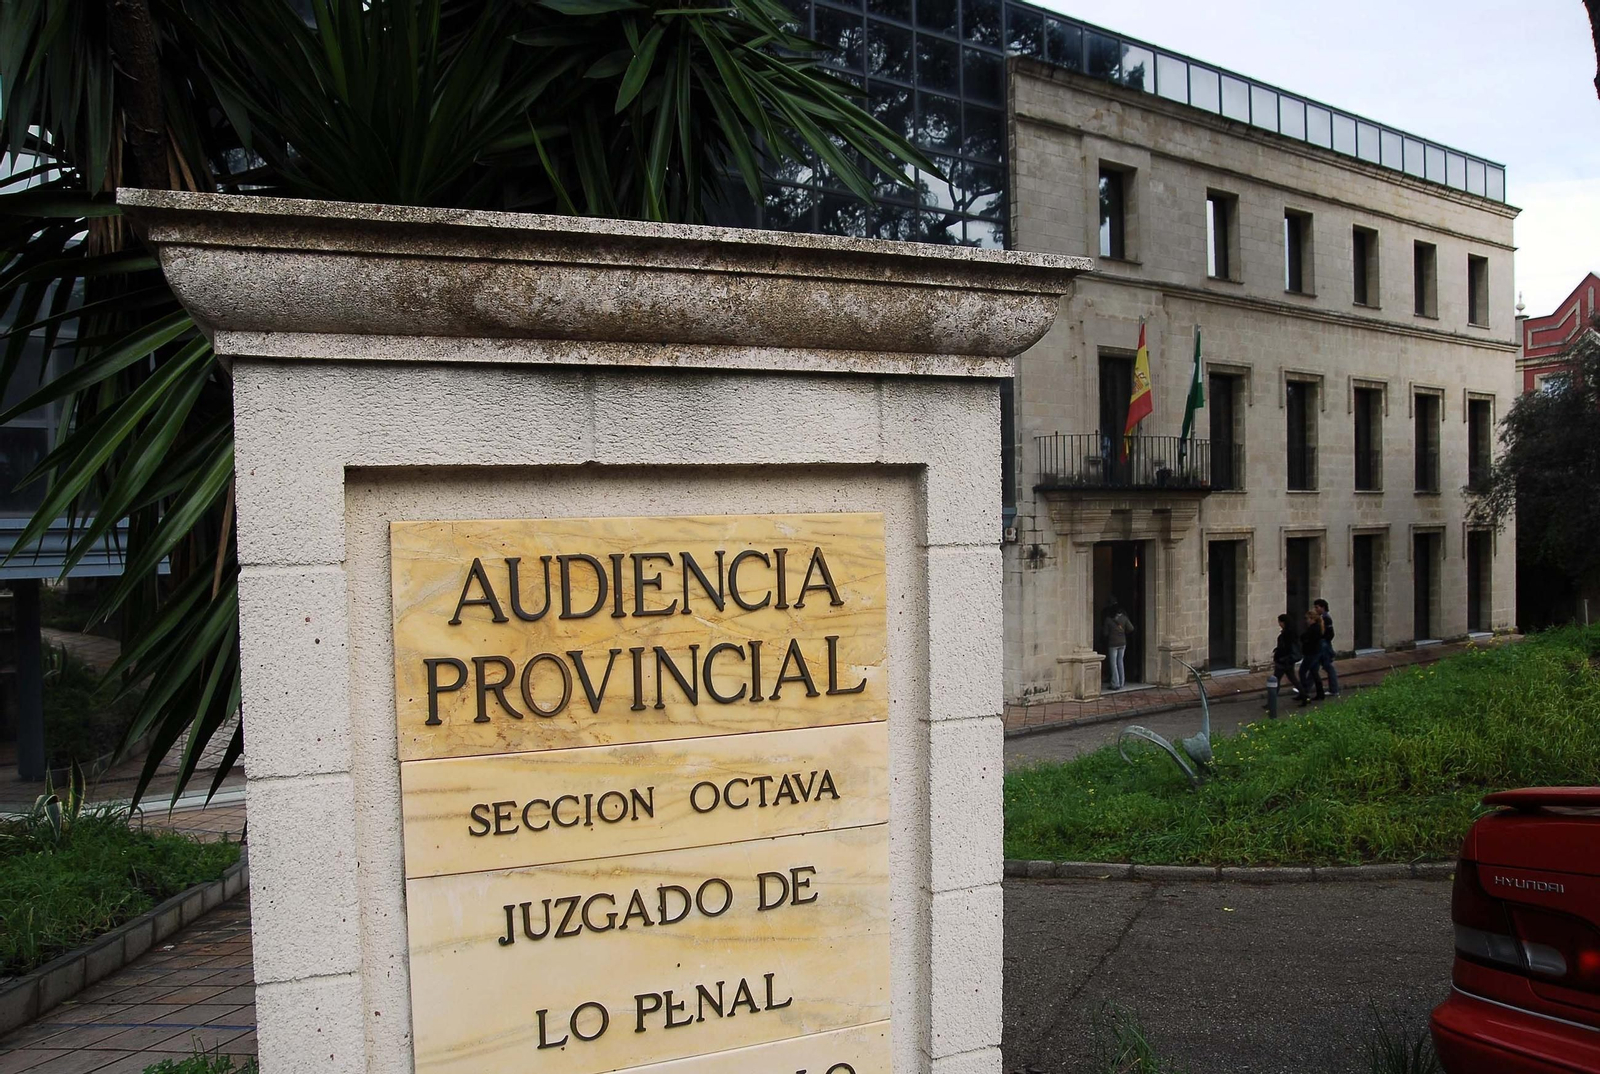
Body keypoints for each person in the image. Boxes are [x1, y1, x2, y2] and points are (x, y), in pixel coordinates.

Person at [1266, 613, 1301, 719]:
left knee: (1276, 680)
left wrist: (1279, 657)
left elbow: (1286, 648)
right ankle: (1304, 695)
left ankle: (1271, 702)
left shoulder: (1287, 634)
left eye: (1280, 622)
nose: (1279, 625)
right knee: (1290, 678)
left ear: (1283, 622)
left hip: (1284, 661)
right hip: (1286, 660)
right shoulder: (1289, 632)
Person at [1102, 600, 1135, 690]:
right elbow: (1131, 628)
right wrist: (1123, 631)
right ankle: (1122, 682)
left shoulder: (1108, 619)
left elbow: (1105, 633)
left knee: (1113, 664)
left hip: (1113, 643)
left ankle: (1115, 683)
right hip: (1123, 642)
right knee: (1120, 662)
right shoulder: (1124, 618)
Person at [1298, 608, 1326, 706]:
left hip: (1311, 653)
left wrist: (1304, 639)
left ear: (1312, 619)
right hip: (1314, 652)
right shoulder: (1317, 628)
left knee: (1302, 672)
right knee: (1314, 673)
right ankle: (1320, 693)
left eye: (1307, 618)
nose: (1306, 621)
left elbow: (1305, 638)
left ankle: (1304, 693)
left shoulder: (1314, 628)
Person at [1314, 598, 1341, 696]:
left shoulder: (1326, 618)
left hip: (1324, 646)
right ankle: (1333, 689)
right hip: (1323, 644)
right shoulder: (1322, 617)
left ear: (1323, 607)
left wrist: (1323, 640)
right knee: (1318, 666)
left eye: (1317, 607)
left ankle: (1334, 689)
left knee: (1323, 666)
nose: (1316, 609)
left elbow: (1330, 633)